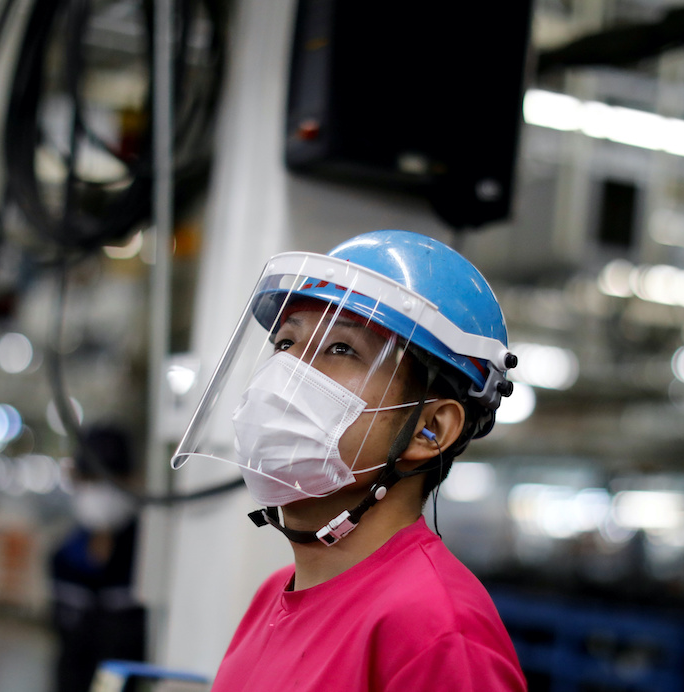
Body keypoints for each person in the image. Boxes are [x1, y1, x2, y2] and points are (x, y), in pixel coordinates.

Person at [172, 229, 526, 691]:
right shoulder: (273, 596)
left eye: (341, 349)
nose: (289, 374)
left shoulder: (438, 632)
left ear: (429, 429)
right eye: (285, 344)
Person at [50, 424, 146, 692]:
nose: (101, 492)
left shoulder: (149, 558)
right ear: (75, 479)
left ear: (134, 480)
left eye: (111, 481)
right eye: (91, 480)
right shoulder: (62, 560)